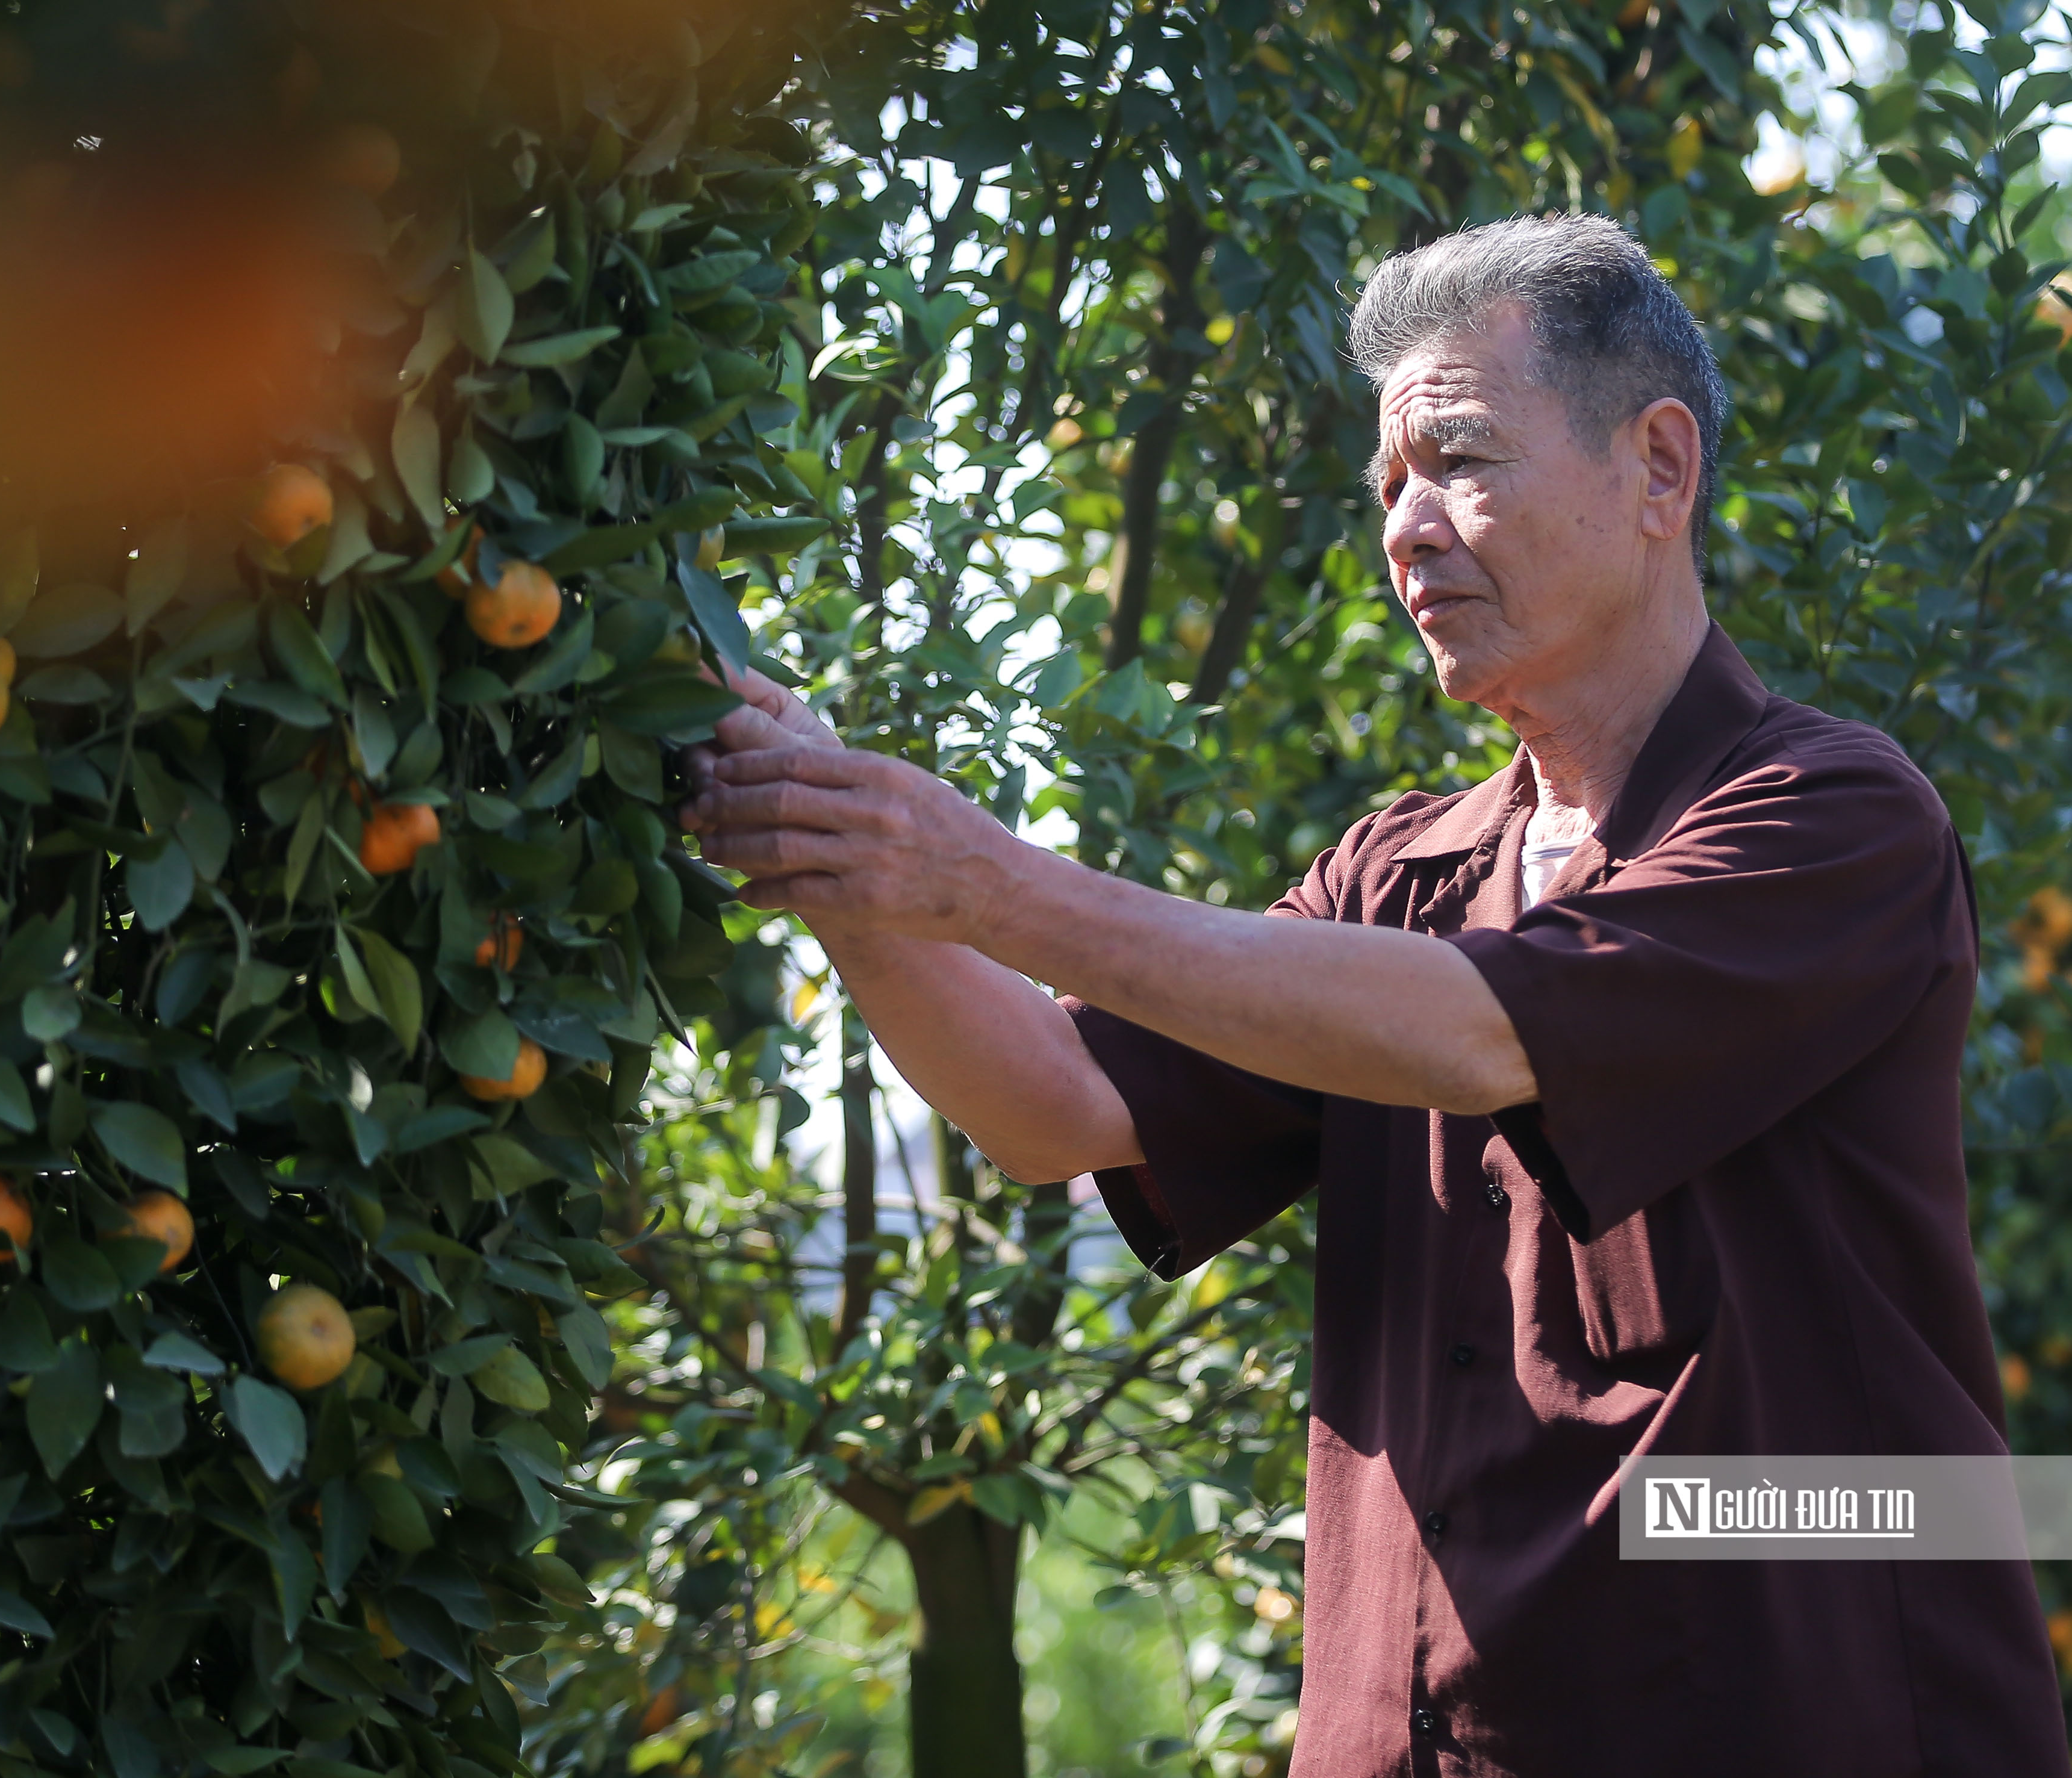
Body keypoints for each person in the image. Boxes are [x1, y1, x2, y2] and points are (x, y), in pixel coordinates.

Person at [679, 213, 2068, 1777]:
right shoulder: (1396, 874)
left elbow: (1489, 1032)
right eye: (1388, 486)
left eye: (1460, 459)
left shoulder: (1832, 819)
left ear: (1659, 471)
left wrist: (988, 876)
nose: (1408, 526)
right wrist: (833, 851)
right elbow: (1048, 1104)